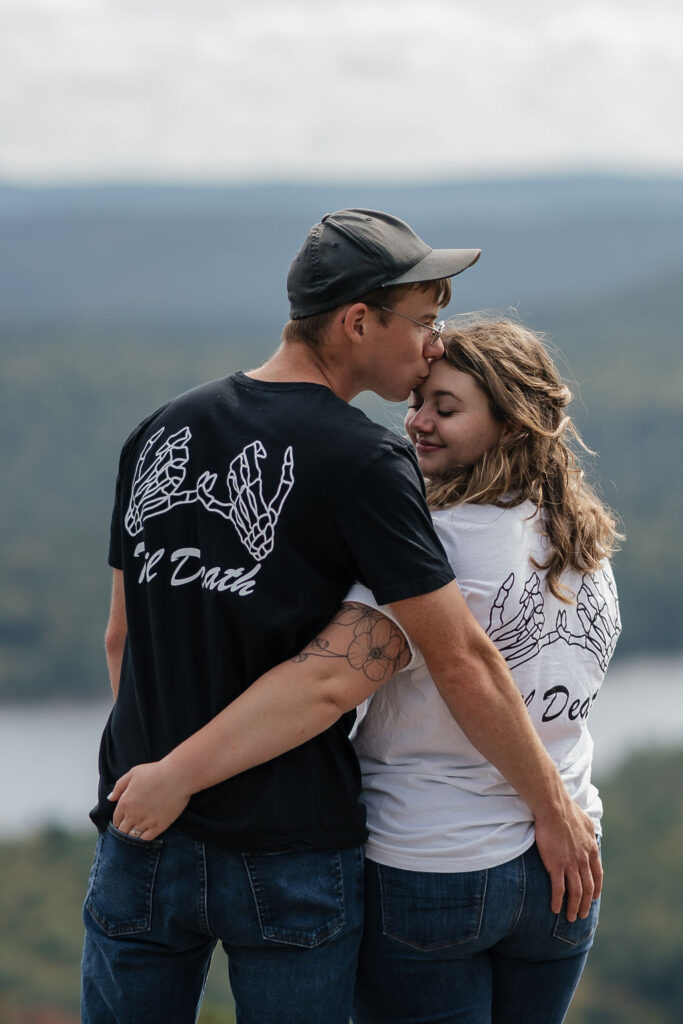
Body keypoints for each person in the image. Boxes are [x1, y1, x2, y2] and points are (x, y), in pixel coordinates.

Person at [83, 209, 601, 1024]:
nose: (433, 342)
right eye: (424, 321)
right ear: (358, 321)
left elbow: (122, 639)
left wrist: (164, 773)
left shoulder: (159, 430)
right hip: (289, 848)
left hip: (143, 823)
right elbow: (448, 659)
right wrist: (553, 807)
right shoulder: (364, 458)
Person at [349, 317, 621, 1023]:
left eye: (446, 408)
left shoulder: (427, 545)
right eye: (417, 404)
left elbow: (328, 681)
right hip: (564, 867)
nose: (417, 423)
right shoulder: (582, 540)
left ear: (510, 422)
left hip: (432, 860)